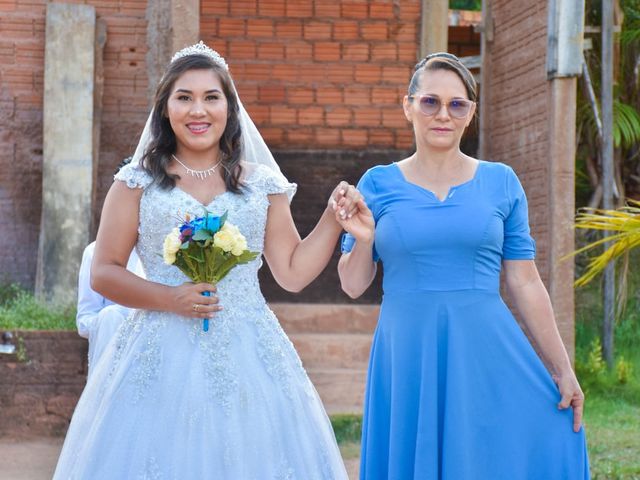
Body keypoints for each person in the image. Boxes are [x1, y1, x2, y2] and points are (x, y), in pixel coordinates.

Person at [54, 42, 360, 479]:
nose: (199, 110)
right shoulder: (135, 183)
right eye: (184, 97)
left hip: (250, 353)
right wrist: (170, 299)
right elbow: (104, 272)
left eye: (211, 97)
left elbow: (291, 273)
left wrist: (332, 219)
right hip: (156, 356)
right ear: (165, 109)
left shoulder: (262, 186)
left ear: (230, 109)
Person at [338, 52, 590, 479]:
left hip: (484, 347)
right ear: (408, 106)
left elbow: (525, 282)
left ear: (471, 113)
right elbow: (352, 284)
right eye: (430, 102)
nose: (443, 115)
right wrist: (364, 242)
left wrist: (563, 370)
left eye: (457, 104)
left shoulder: (502, 181)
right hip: (407, 348)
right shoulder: (377, 184)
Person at [76, 240, 141, 376]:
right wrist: (111, 319)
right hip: (113, 357)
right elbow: (84, 320)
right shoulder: (94, 252)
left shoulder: (165, 250)